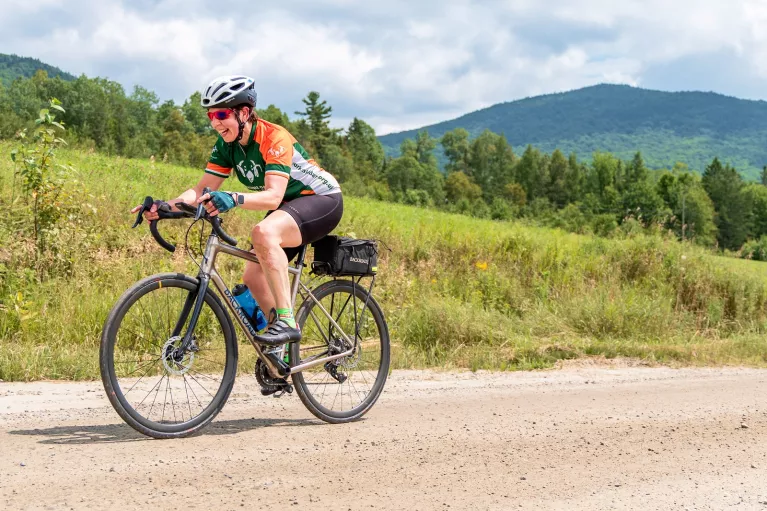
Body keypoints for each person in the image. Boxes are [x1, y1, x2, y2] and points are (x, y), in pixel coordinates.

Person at [132, 75, 343, 347]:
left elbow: (273, 195)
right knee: (253, 276)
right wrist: (164, 207)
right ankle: (282, 352)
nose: (215, 122)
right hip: (288, 207)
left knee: (263, 232)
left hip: (321, 199)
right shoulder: (226, 145)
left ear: (244, 112)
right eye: (210, 116)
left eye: (221, 114)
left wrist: (232, 197)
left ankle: (287, 321)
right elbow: (201, 190)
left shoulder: (274, 137)